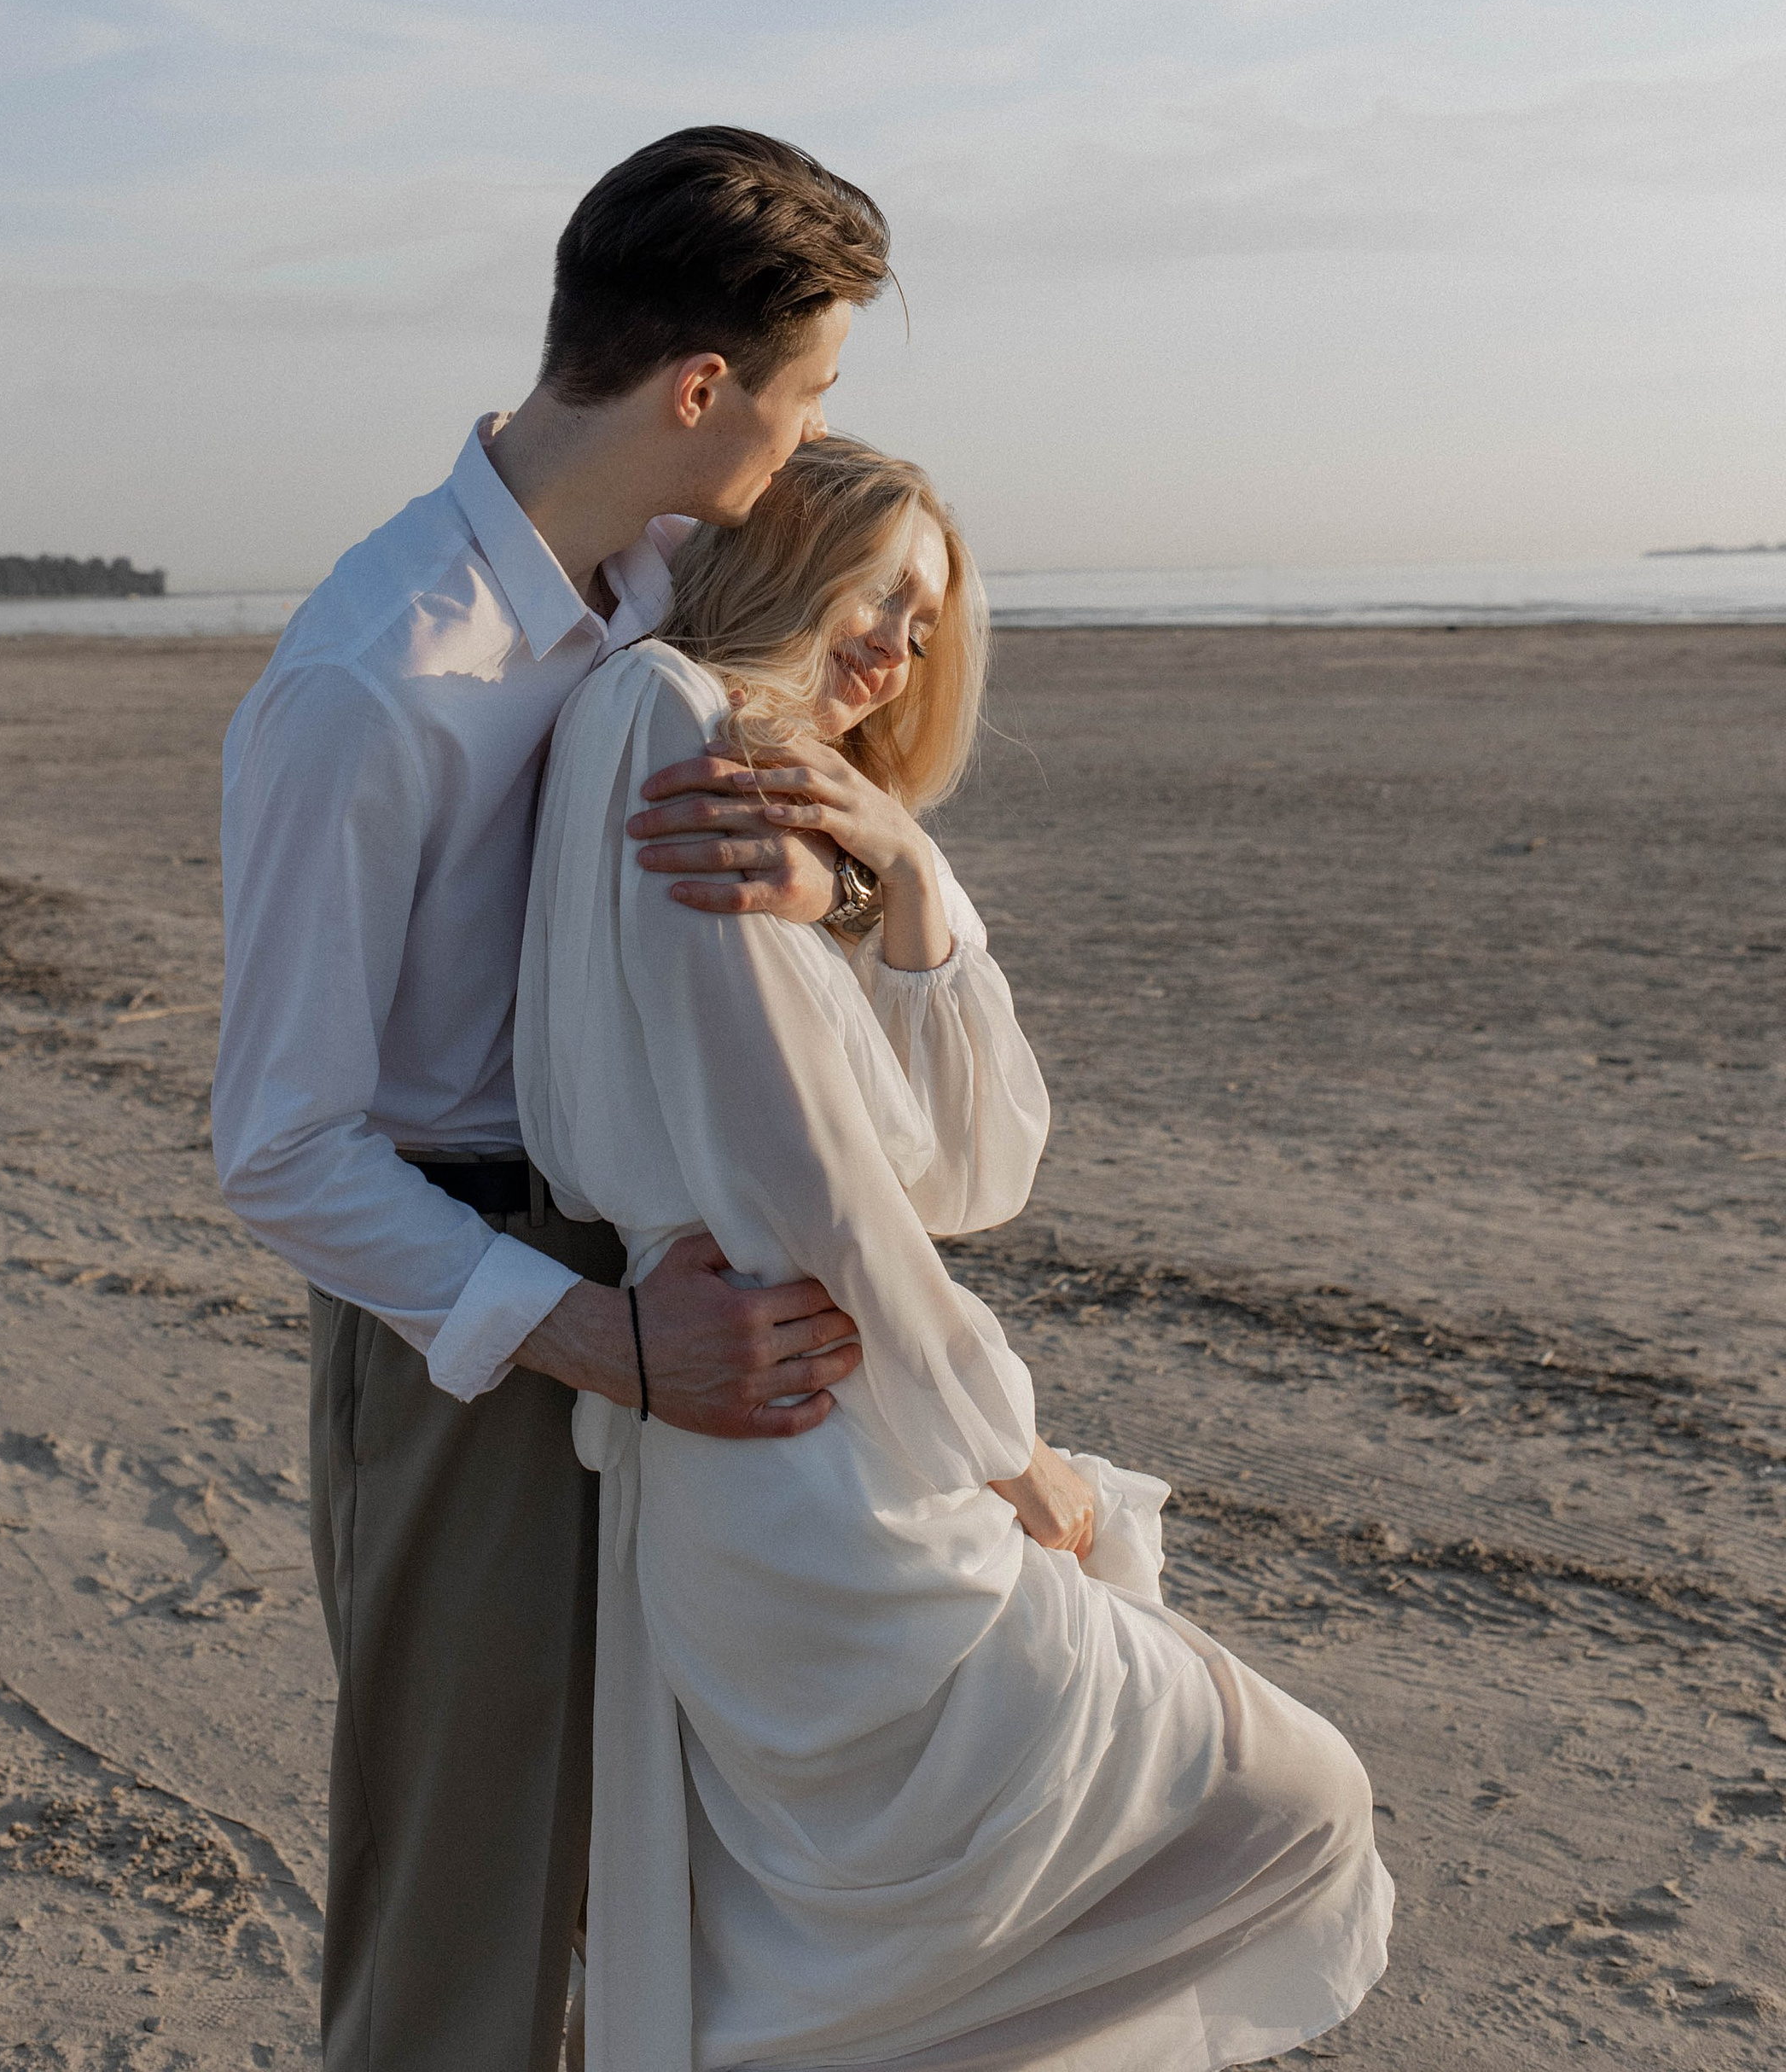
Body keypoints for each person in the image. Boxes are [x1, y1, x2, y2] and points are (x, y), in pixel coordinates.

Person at [517, 434, 1394, 2072]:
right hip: (820, 1465)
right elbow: (829, 1197)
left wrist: (900, 867)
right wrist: (1010, 1453)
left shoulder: (737, 781)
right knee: (1290, 1801)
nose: (900, 651)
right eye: (882, 591)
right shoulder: (671, 723)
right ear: (789, 554)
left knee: (815, 1970)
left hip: (786, 1455)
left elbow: (978, 1165)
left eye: (929, 624)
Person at [212, 127, 899, 2072]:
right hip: (480, 1324)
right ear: (700, 389)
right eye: (807, 394)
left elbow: (837, 750)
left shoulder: (671, 588)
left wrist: (846, 868)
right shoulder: (374, 674)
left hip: (667, 1280)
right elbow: (277, 1145)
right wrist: (602, 1339)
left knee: (680, 1881)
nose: (805, 442)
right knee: (468, 1918)